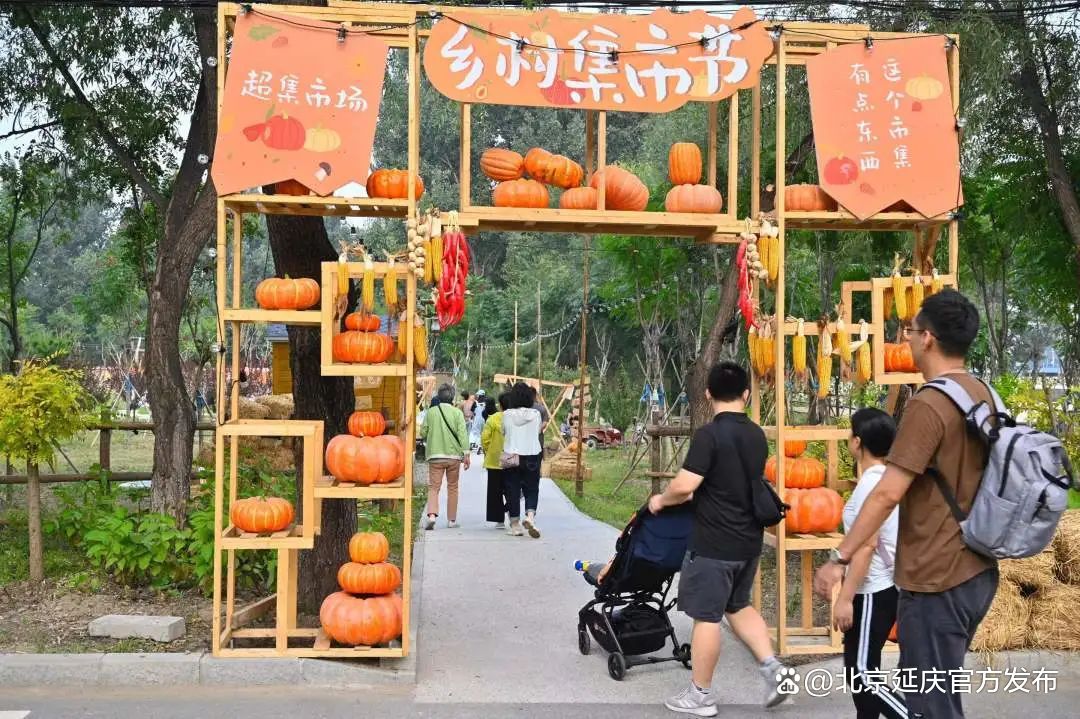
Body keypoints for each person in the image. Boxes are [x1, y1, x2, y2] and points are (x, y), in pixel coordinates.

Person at [815, 289, 998, 719]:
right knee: (935, 696)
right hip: (976, 570)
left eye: (911, 330)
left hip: (938, 578)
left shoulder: (929, 403)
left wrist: (839, 558)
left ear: (929, 338)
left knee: (930, 706)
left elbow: (887, 493)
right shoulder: (981, 394)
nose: (908, 339)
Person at [648, 361, 788, 716]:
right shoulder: (756, 434)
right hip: (748, 542)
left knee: (706, 617)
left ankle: (701, 695)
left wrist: (661, 500)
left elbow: (685, 486)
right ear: (746, 393)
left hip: (713, 544)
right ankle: (774, 668)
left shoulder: (709, 435)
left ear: (708, 394)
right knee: (737, 606)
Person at [836, 408, 908, 719]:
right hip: (881, 588)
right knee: (863, 674)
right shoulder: (885, 481)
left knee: (862, 674)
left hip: (873, 590)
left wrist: (845, 598)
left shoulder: (871, 486)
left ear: (857, 442)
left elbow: (866, 547)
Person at [420, 384, 470, 530]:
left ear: (439, 396)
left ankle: (431, 516)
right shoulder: (457, 413)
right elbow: (462, 434)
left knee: (434, 487)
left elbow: (423, 432)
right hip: (454, 456)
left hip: (435, 455)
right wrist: (466, 454)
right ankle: (452, 520)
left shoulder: (431, 412)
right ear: (452, 397)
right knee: (453, 487)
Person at [501, 382, 543, 538]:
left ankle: (515, 525)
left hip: (512, 456)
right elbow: (538, 431)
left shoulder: (507, 414)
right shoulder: (536, 414)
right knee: (532, 488)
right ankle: (530, 517)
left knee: (512, 490)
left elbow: (503, 432)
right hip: (532, 454)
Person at [481, 393, 511, 528]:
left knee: (495, 491)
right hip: (511, 460)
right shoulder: (514, 419)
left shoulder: (492, 419)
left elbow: (485, 439)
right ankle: (512, 511)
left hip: (494, 460)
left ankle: (499, 520)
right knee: (511, 489)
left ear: (501, 404)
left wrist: (489, 450)